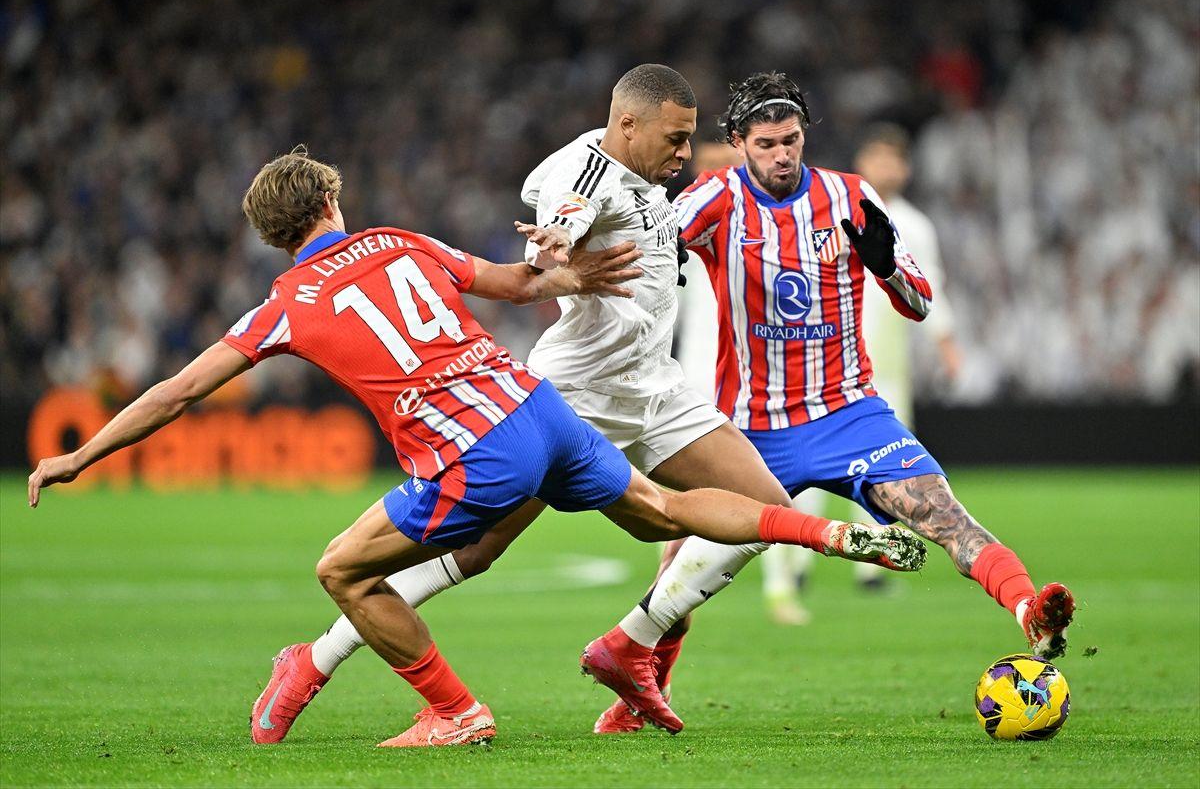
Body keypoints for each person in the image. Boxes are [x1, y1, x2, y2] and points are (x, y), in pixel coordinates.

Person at [27, 145, 928, 748]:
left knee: (343, 568)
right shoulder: (398, 239)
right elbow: (509, 282)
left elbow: (181, 391)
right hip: (538, 405)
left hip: (474, 451)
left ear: (271, 235)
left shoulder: (285, 305)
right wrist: (568, 275)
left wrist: (80, 455)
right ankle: (823, 534)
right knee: (658, 515)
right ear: (334, 203)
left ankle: (453, 712)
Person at [245, 65, 926, 743]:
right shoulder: (583, 172)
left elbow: (695, 167)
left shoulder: (654, 171)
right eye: (676, 139)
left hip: (655, 387)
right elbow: (565, 209)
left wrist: (750, 152)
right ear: (629, 125)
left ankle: (634, 658)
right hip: (573, 395)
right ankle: (313, 660)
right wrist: (557, 241)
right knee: (477, 553)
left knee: (761, 514)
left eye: (690, 139)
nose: (686, 154)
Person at [582, 71, 1076, 733]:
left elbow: (922, 301)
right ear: (738, 143)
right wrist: (591, 244)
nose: (782, 154)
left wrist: (888, 266)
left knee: (942, 512)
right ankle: (631, 676)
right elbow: (645, 243)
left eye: (791, 140)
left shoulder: (849, 196)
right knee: (690, 566)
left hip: (850, 415)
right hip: (752, 429)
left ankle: (1029, 612)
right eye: (766, 143)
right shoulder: (714, 198)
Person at [759, 123, 968, 623]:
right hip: (824, 364)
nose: (884, 167)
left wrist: (946, 342)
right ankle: (801, 562)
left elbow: (927, 285)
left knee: (881, 472)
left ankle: (872, 568)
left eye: (893, 159)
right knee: (807, 472)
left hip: (886, 368)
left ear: (906, 167)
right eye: (875, 158)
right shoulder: (834, 212)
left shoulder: (915, 225)